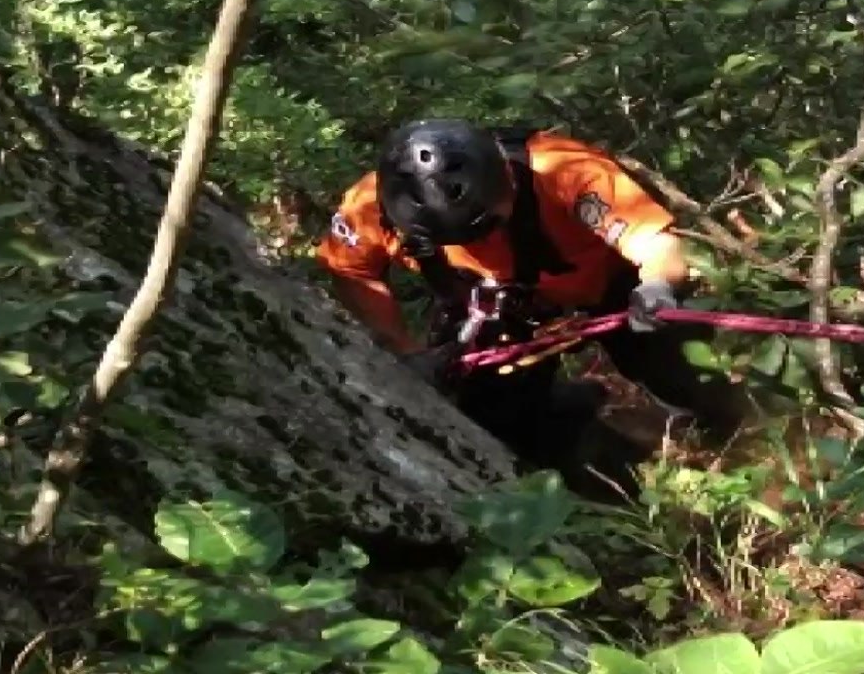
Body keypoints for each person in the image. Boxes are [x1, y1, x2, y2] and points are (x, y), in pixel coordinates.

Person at [315, 119, 750, 494]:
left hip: (612, 287)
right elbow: (352, 270)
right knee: (492, 413)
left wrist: (657, 285)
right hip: (494, 307)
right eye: (458, 239)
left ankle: (742, 446)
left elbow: (655, 242)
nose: (480, 244)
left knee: (684, 370)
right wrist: (405, 352)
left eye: (487, 227)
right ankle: (616, 474)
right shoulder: (369, 208)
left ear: (505, 178)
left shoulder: (565, 170)